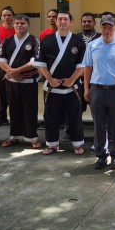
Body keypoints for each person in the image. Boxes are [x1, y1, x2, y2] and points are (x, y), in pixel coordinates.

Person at [83, 15, 115, 170]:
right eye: (104, 27)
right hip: (97, 89)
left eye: (110, 27)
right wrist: (86, 88)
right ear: (100, 28)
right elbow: (88, 68)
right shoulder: (93, 45)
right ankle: (101, 156)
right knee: (99, 125)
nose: (107, 30)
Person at [34, 10, 86, 155]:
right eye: (60, 19)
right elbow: (41, 63)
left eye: (65, 19)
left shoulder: (78, 41)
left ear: (71, 22)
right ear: (56, 22)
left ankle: (77, 143)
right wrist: (50, 79)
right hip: (52, 86)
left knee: (75, 115)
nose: (62, 22)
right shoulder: (47, 40)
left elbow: (82, 65)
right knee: (51, 116)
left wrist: (71, 80)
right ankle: (52, 144)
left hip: (73, 86)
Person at [0, 14, 42, 149]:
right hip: (12, 81)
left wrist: (17, 71)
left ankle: (31, 136)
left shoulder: (35, 41)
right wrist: (12, 73)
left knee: (30, 109)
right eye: (17, 23)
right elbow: (0, 60)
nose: (19, 25)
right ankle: (15, 135)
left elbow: (35, 62)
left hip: (29, 81)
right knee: (14, 108)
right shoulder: (7, 41)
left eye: (22, 23)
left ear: (28, 25)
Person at [0, 6, 16, 127]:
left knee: (14, 91)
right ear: (1, 17)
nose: (7, 17)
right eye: (4, 15)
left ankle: (16, 116)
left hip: (15, 66)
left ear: (13, 16)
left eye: (9, 15)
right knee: (2, 91)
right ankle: (1, 117)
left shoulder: (17, 29)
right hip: (1, 65)